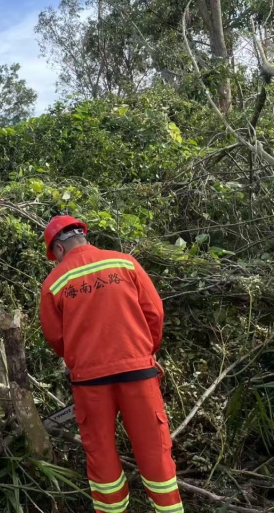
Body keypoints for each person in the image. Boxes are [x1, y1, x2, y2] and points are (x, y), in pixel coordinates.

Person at [39, 215, 183, 513]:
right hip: (139, 373)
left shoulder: (53, 283)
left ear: (59, 249)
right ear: (83, 236)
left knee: (101, 455)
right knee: (155, 451)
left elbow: (56, 337)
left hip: (89, 381)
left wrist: (78, 358)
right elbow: (154, 312)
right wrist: (145, 351)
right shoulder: (125, 263)